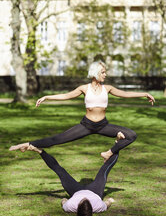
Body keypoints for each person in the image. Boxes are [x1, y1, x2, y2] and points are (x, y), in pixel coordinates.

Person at [9, 61, 155, 161]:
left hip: (103, 125)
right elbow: (66, 96)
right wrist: (47, 97)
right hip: (86, 125)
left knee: (131, 135)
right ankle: (28, 144)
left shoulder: (108, 88)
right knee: (58, 139)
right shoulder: (84, 88)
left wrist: (144, 94)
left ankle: (108, 153)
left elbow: (125, 94)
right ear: (96, 73)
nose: (105, 75)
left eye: (105, 72)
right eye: (103, 72)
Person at [22, 144, 119, 216]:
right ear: (91, 207)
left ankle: (40, 151)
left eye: (82, 200)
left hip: (75, 191)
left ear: (77, 207)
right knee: (105, 170)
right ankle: (118, 145)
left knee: (60, 171)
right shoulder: (98, 206)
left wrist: (65, 201)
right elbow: (107, 203)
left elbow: (63, 201)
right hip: (95, 191)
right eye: (87, 200)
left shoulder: (71, 206)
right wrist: (110, 200)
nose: (85, 197)